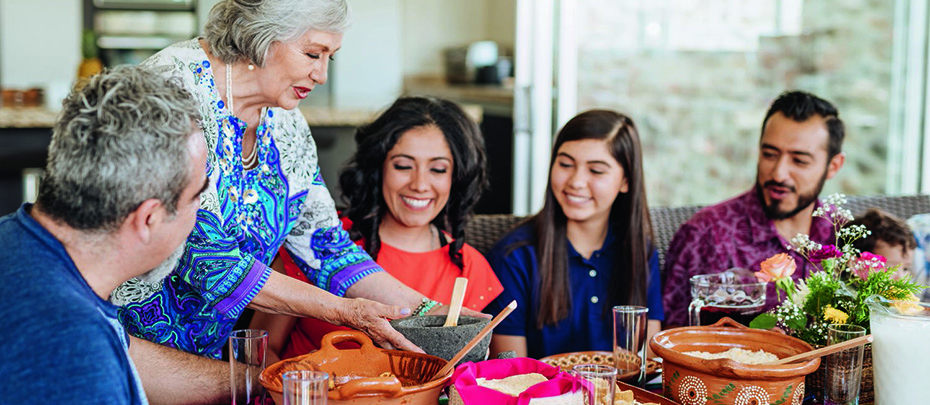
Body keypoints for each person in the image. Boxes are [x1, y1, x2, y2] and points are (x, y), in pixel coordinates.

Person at [113, 0, 475, 359]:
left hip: (203, 356)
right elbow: (208, 261)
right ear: (262, 35)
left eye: (329, 57)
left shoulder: (284, 120)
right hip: (122, 351)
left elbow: (325, 246)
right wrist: (344, 311)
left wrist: (429, 312)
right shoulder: (169, 92)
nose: (322, 75)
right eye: (313, 54)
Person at [0, 66, 209, 403]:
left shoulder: (20, 241)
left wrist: (258, 380)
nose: (200, 212)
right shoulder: (71, 347)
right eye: (197, 196)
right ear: (149, 218)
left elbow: (126, 356)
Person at [251, 97, 503, 362]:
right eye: (403, 166)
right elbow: (261, 349)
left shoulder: (471, 267)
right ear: (378, 168)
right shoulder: (320, 240)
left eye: (438, 169)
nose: (419, 184)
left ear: (458, 177)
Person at [484, 110, 664, 359]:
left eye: (596, 171)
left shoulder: (639, 252)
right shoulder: (514, 257)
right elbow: (512, 373)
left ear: (626, 180)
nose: (576, 181)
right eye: (565, 164)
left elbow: (649, 360)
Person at [663, 90, 847, 327]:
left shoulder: (842, 236)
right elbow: (671, 344)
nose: (779, 173)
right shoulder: (707, 234)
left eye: (799, 161)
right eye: (769, 154)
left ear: (833, 166)